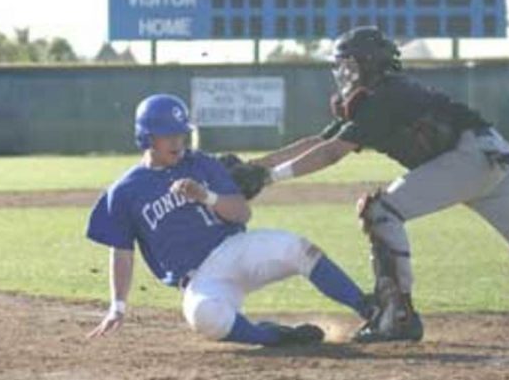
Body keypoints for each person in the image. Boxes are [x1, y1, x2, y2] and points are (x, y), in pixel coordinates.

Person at [246, 26, 509, 342]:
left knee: (380, 210)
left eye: (349, 63)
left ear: (369, 64)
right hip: (488, 155)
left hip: (466, 157)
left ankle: (397, 315)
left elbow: (330, 153)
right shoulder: (381, 94)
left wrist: (269, 178)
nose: (343, 72)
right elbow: (319, 142)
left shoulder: (381, 96)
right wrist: (256, 165)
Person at [85, 93, 374, 347]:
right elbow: (122, 251)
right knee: (205, 318)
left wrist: (206, 196)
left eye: (181, 134)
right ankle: (276, 337)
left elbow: (241, 213)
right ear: (147, 137)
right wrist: (118, 306)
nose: (177, 141)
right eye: (168, 135)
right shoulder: (123, 191)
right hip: (199, 279)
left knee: (298, 249)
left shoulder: (202, 164)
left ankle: (370, 309)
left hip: (235, 250)